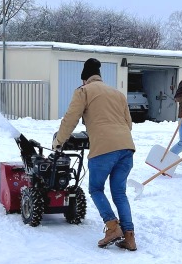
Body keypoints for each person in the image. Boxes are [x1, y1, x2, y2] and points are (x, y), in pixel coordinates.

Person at [53, 58, 138, 251]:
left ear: (84, 79)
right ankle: (129, 237)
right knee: (119, 192)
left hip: (104, 149)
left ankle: (112, 227)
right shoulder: (117, 93)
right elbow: (129, 124)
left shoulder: (83, 91)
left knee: (96, 189)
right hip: (127, 147)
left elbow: (70, 119)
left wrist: (59, 141)